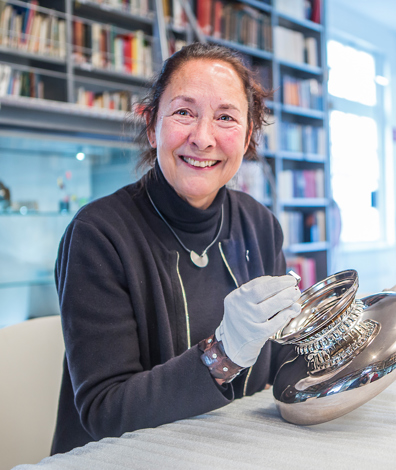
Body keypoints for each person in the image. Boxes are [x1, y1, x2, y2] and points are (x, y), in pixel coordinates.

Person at [51, 42, 301, 455]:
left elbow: (278, 368)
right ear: (151, 125)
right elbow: (104, 411)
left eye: (225, 117)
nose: (202, 139)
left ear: (249, 136)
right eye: (184, 112)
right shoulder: (97, 234)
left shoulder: (260, 224)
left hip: (231, 452)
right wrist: (222, 355)